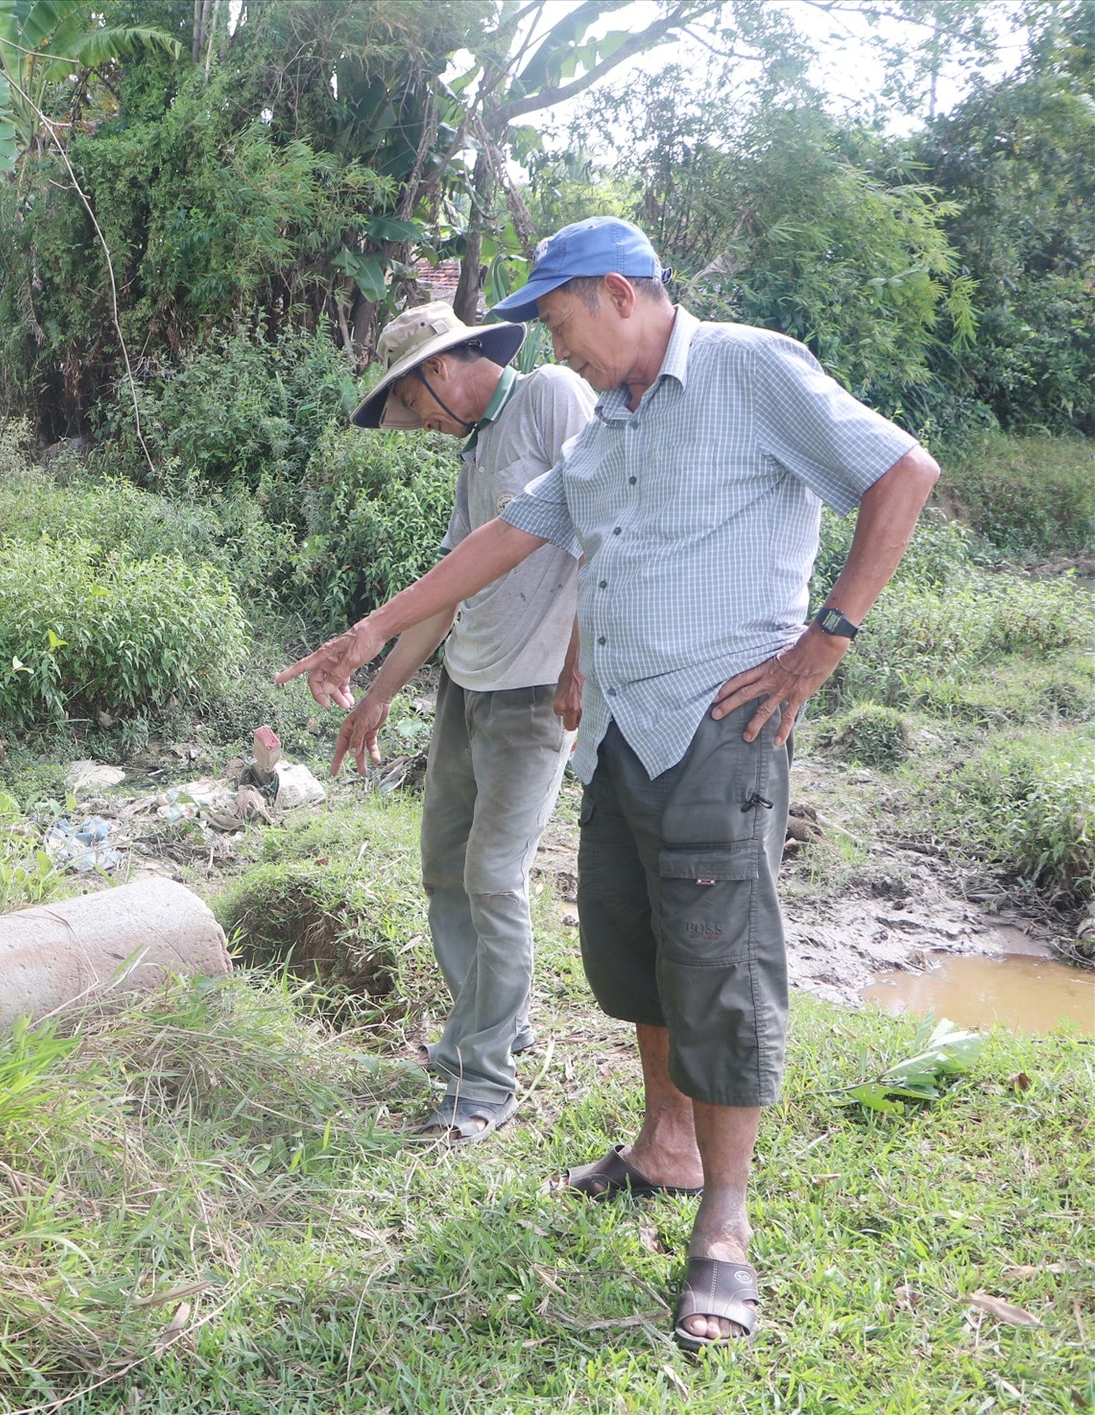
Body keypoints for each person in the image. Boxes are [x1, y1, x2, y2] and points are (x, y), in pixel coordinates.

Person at [278, 216, 941, 1353]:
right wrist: (373, 628)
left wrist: (825, 640)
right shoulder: (616, 422)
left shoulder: (747, 365)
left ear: (620, 294)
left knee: (719, 967)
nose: (555, 344)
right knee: (633, 953)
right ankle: (662, 1148)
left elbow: (902, 469)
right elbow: (519, 529)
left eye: (561, 317)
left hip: (718, 724)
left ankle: (724, 1226)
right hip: (621, 729)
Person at [336, 301, 593, 1143]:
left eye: (414, 408)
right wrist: (379, 692)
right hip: (466, 689)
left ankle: (484, 1083)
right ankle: (481, 1030)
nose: (422, 426)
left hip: (533, 697)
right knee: (444, 868)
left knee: (493, 878)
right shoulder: (477, 448)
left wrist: (580, 660)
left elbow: (604, 527)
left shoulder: (552, 394)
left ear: (439, 371)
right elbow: (447, 592)